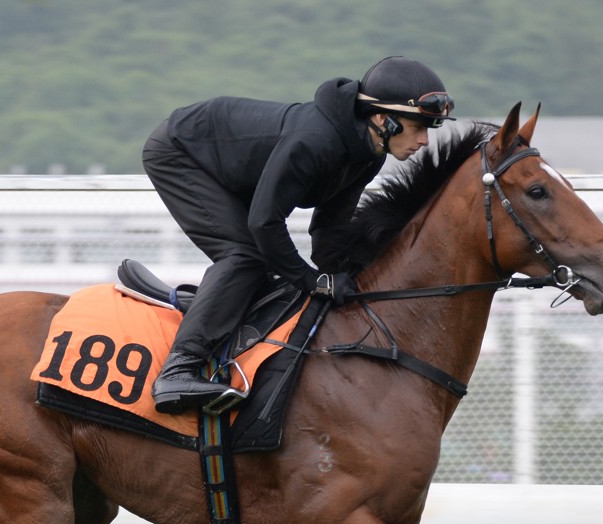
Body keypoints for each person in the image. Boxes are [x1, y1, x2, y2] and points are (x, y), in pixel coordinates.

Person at [142, 56, 454, 414]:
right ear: (384, 119)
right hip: (180, 151)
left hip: (227, 166)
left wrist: (346, 279)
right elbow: (265, 222)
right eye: (419, 127)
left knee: (262, 265)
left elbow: (329, 228)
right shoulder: (316, 141)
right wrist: (312, 281)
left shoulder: (369, 154)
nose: (425, 141)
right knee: (244, 256)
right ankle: (178, 370)